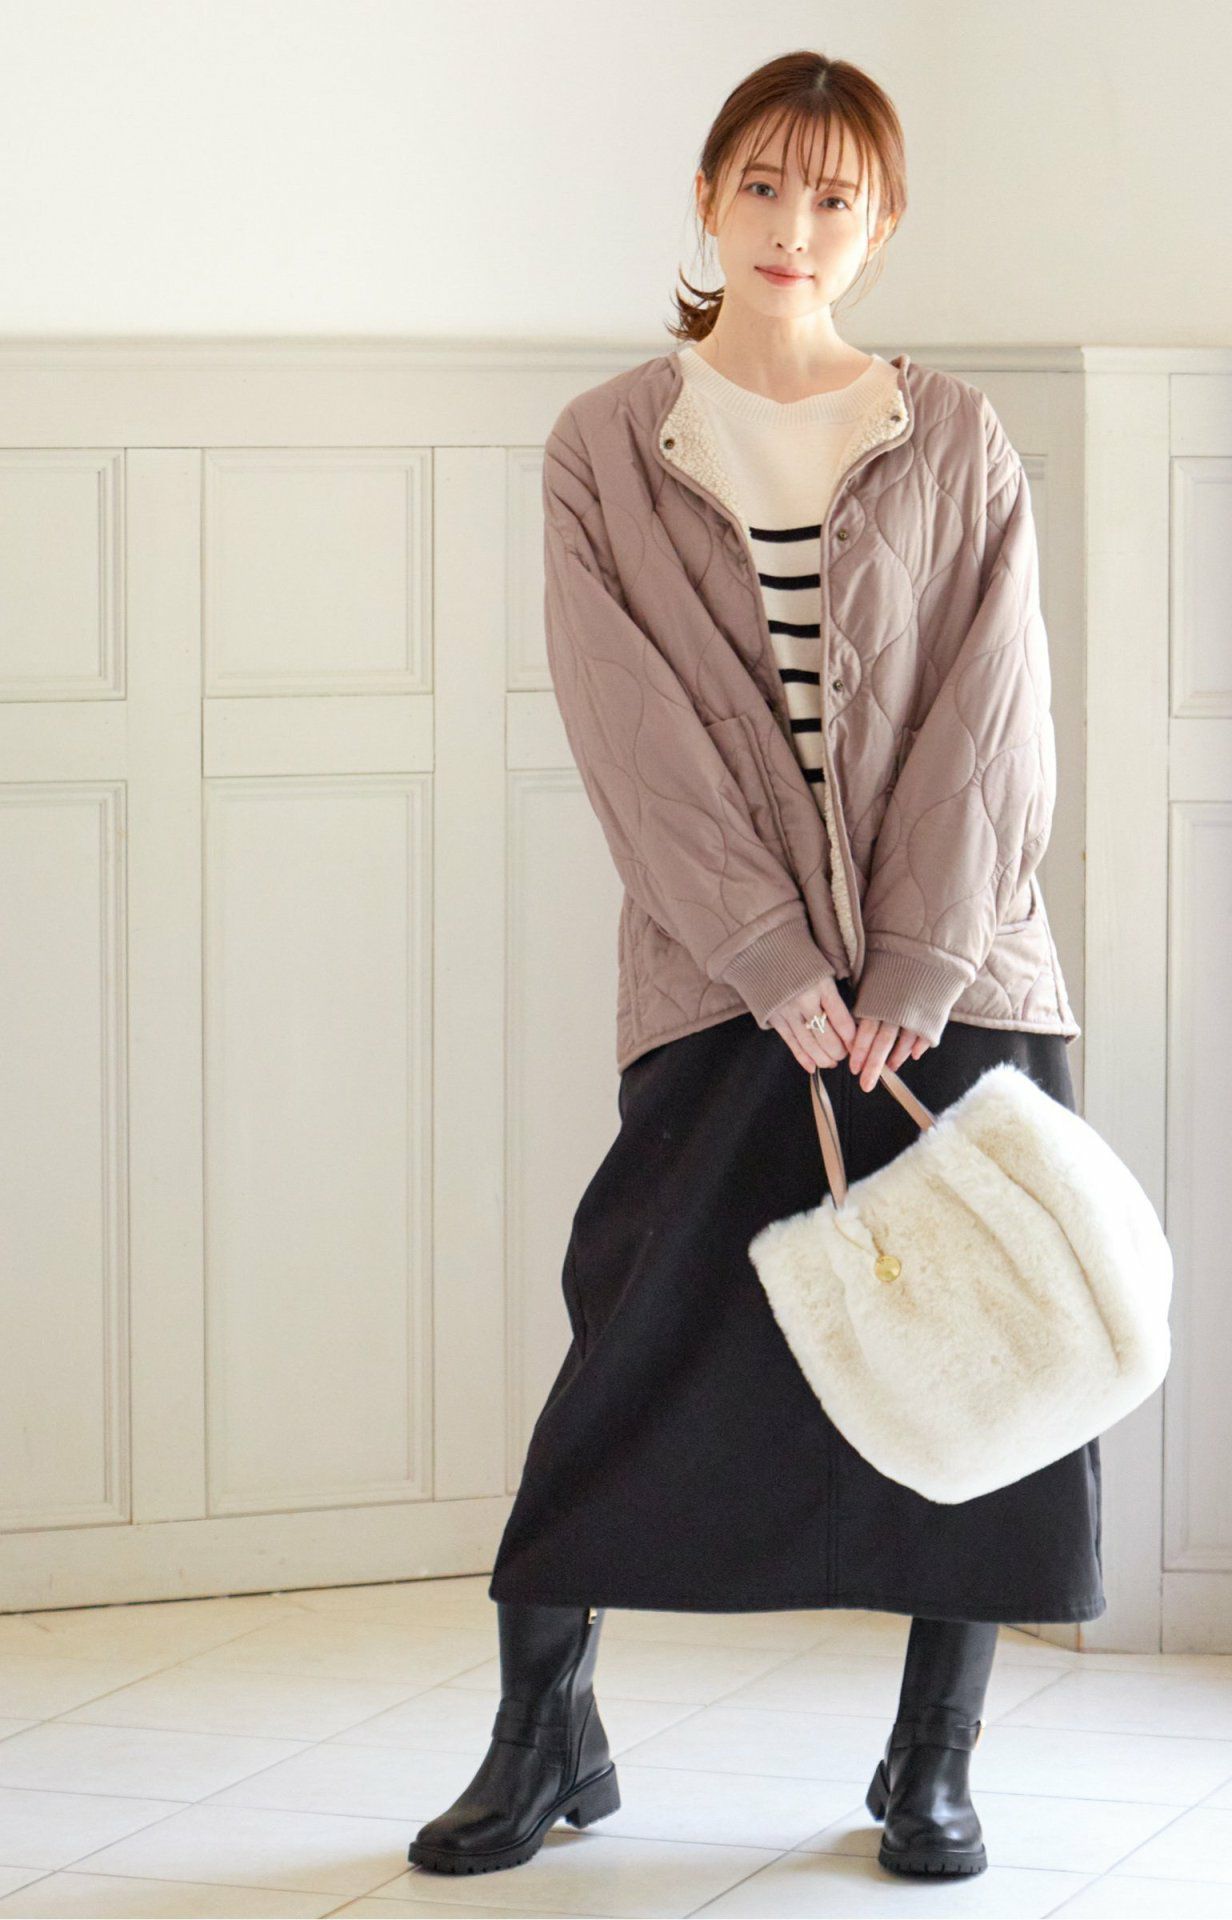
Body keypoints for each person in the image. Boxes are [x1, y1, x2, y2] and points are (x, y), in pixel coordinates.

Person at [410, 48, 1103, 1884]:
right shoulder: (607, 445)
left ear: (882, 229)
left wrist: (919, 963)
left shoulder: (956, 437)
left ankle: (933, 1761)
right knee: (633, 1344)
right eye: (767, 186)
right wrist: (774, 957)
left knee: (992, 1353)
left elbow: (995, 717)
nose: (797, 227)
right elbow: (630, 729)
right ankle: (545, 1734)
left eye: (837, 198)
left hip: (959, 981)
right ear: (710, 200)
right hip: (724, 984)